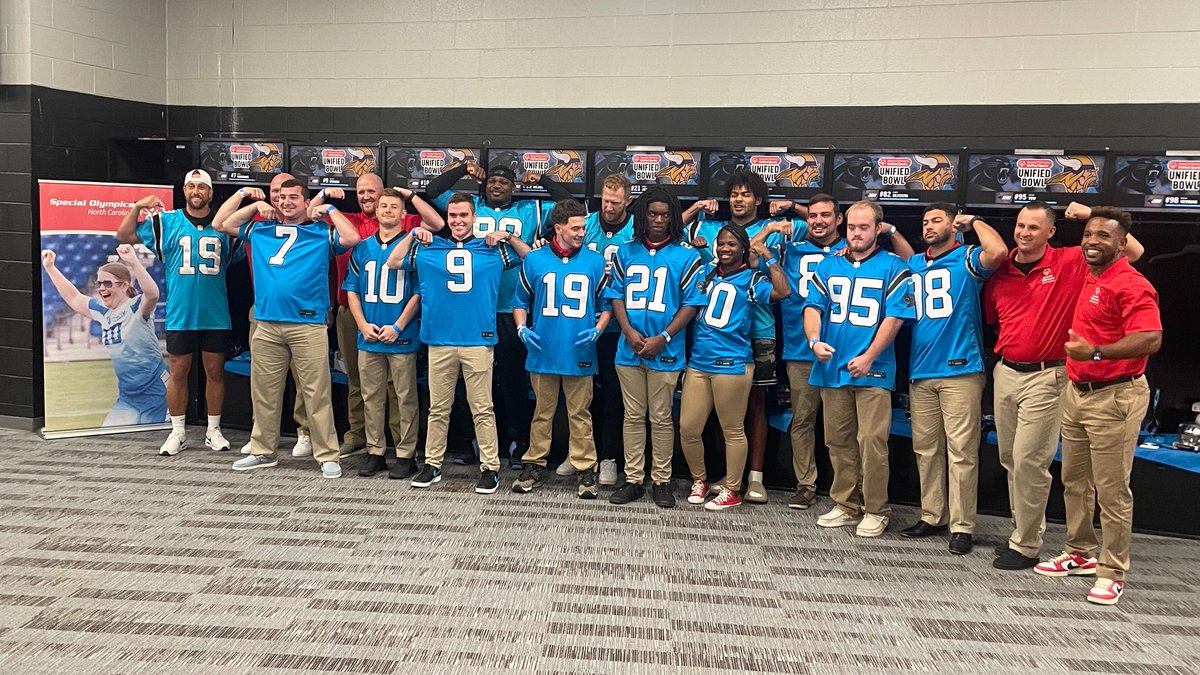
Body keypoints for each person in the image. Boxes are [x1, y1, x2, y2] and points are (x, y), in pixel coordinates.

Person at [984, 201, 1144, 570]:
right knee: (1011, 459)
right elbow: (997, 321)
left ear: (1050, 233)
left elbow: (1133, 251)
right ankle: (1022, 531)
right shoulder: (1002, 270)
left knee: (1029, 461)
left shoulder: (1070, 261)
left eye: (1034, 228)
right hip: (1007, 372)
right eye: (1021, 226)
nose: (1024, 233)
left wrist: (1091, 216)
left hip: (1049, 374)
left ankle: (1025, 545)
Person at [1034, 206, 1160, 606]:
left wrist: (1097, 353)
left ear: (1122, 244)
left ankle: (1112, 570)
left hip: (1115, 396)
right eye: (1088, 234)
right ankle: (1080, 552)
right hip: (1077, 394)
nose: (1092, 241)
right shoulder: (1092, 274)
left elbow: (1151, 338)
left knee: (1112, 491)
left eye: (1104, 236)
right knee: (1075, 481)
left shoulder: (1132, 283)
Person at [425, 162, 574, 468]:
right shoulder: (471, 207)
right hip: (471, 310)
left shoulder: (529, 209)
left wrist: (543, 179)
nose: (496, 186)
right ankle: (468, 443)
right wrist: (464, 170)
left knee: (513, 380)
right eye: (491, 181)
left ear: (513, 187)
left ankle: (517, 442)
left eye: (503, 182)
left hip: (510, 306)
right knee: (467, 384)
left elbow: (567, 206)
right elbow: (433, 191)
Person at [215, 179, 361, 478]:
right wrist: (252, 203)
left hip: (306, 323)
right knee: (264, 393)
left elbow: (352, 237)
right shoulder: (261, 229)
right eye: (281, 197)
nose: (286, 202)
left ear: (306, 202)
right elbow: (221, 223)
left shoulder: (320, 232)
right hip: (267, 322)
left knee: (316, 392)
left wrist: (330, 209)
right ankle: (263, 451)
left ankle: (327, 454)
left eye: (294, 197)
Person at [386, 192, 530, 494]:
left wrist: (508, 235)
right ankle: (433, 464)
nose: (458, 221)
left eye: (464, 215)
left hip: (478, 339)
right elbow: (393, 260)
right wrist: (413, 233)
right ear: (447, 218)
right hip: (439, 339)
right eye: (453, 216)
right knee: (438, 408)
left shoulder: (492, 249)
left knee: (482, 408)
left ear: (474, 218)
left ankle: (490, 467)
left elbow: (531, 258)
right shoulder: (429, 247)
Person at [683, 170, 806, 503]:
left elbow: (822, 225)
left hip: (760, 329)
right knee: (721, 412)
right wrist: (695, 211)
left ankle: (754, 478)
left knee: (754, 407)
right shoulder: (710, 229)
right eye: (734, 194)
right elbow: (669, 230)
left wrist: (786, 213)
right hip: (714, 336)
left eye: (746, 194)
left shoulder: (775, 231)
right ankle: (725, 477)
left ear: (758, 200)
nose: (739, 199)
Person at [803, 200, 916, 537]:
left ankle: (876, 508)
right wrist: (813, 341)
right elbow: (813, 308)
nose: (856, 233)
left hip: (873, 370)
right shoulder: (828, 265)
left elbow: (894, 319)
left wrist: (870, 356)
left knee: (872, 442)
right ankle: (846, 504)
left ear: (878, 228)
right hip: (832, 366)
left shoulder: (894, 267)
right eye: (852, 227)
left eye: (864, 227)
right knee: (838, 441)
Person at [901, 205, 1007, 555]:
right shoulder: (917, 263)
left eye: (937, 220)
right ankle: (933, 515)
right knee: (926, 449)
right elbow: (901, 260)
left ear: (954, 225)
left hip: (960, 368)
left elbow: (999, 252)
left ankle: (963, 525)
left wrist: (975, 222)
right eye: (925, 221)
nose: (929, 225)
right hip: (921, 369)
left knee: (961, 452)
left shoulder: (967, 257)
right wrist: (887, 230)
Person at [116, 169, 241, 456]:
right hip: (181, 312)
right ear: (184, 191)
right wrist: (137, 206)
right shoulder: (168, 221)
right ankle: (178, 432)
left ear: (210, 193)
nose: (196, 191)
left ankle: (213, 430)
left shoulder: (224, 225)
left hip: (216, 313)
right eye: (190, 187)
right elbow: (124, 234)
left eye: (201, 187)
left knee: (214, 372)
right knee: (179, 372)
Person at [606, 188, 706, 509]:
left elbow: (691, 304)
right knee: (633, 416)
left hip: (666, 348)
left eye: (665, 214)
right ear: (642, 215)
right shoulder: (626, 251)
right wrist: (628, 331)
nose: (659, 220)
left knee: (662, 417)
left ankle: (661, 480)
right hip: (629, 347)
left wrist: (663, 337)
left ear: (674, 216)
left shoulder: (687, 254)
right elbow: (616, 294)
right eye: (653, 213)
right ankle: (633, 478)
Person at [681, 226, 790, 510]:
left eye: (731, 244)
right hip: (699, 361)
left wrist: (769, 257)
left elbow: (783, 291)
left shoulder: (752, 278)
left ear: (743, 247)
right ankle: (700, 479)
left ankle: (732, 488)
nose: (725, 249)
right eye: (721, 244)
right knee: (688, 427)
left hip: (732, 362)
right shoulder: (707, 272)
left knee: (732, 429)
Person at [511, 199, 612, 499]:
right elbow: (520, 301)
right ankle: (534, 464)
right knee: (542, 412)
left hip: (579, 350)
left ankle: (585, 468)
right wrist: (521, 328)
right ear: (558, 228)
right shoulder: (535, 259)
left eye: (583, 227)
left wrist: (598, 329)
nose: (582, 232)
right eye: (576, 228)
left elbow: (607, 305)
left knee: (580, 413)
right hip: (543, 349)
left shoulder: (594, 261)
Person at [342, 187, 444, 479]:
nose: (387, 210)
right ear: (376, 211)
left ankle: (405, 454)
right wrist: (361, 324)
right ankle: (376, 451)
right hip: (369, 334)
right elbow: (351, 290)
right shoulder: (361, 247)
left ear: (403, 213)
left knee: (404, 397)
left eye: (393, 207)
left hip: (401, 334)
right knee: (371, 395)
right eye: (382, 206)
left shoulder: (413, 246)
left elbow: (419, 292)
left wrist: (398, 325)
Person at [212, 173, 315, 457]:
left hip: (303, 312)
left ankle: (304, 432)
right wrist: (248, 198)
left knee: (305, 379)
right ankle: (262, 434)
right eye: (276, 193)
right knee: (264, 380)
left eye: (288, 193)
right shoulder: (258, 224)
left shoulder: (306, 224)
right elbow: (219, 223)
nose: (281, 198)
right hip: (263, 310)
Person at [554, 173, 636, 486]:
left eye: (616, 202)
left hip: (616, 326)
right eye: (605, 200)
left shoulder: (634, 229)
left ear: (628, 201)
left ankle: (609, 457)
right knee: (577, 397)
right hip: (580, 323)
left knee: (612, 396)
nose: (610, 207)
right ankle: (579, 454)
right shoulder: (583, 223)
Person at [42, 244, 168, 426]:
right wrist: (50, 268)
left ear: (125, 285)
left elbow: (153, 294)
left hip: (156, 392)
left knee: (151, 440)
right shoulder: (103, 311)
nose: (101, 288)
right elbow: (74, 298)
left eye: (107, 283)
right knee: (110, 435)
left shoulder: (136, 306)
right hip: (128, 397)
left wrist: (133, 262)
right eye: (99, 283)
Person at [780, 193, 846, 510]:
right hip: (799, 347)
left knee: (842, 426)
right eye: (813, 216)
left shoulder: (852, 250)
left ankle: (848, 489)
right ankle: (805, 483)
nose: (818, 221)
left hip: (842, 351)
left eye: (825, 215)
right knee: (802, 420)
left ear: (838, 219)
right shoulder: (792, 248)